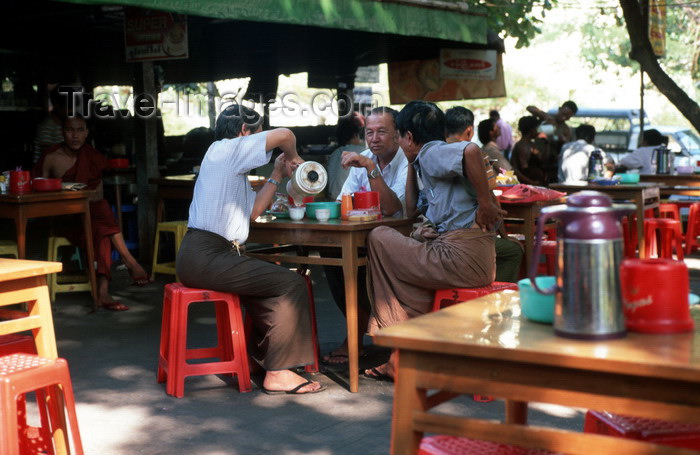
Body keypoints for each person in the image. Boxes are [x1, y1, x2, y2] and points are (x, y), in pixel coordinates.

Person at [175, 104, 325, 395]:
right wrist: (295, 157)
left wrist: (278, 173)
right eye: (257, 134)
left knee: (270, 282)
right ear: (244, 133)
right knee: (291, 282)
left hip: (209, 255)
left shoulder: (230, 168)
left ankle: (262, 359)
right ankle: (279, 372)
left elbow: (253, 211)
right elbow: (285, 134)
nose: (261, 147)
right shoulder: (227, 150)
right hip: (207, 255)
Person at [363, 101, 505, 381]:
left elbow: (471, 150)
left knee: (378, 237)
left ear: (409, 137)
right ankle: (401, 356)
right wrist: (411, 163)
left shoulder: (431, 152)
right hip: (465, 256)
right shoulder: (422, 160)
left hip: (460, 257)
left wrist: (485, 202)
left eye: (399, 136)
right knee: (402, 263)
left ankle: (400, 349)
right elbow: (413, 209)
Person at [33, 114, 150, 311]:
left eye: (80, 130)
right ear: (63, 132)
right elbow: (38, 190)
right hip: (64, 220)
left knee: (102, 223)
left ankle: (103, 291)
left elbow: (97, 196)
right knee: (103, 215)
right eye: (70, 130)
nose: (75, 135)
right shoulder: (51, 158)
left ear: (86, 133)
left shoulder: (92, 157)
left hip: (89, 217)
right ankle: (129, 262)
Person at [321, 106, 408, 365]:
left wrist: (371, 168)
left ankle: (368, 334)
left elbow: (394, 209)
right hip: (363, 235)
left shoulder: (406, 161)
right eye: (369, 132)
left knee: (364, 262)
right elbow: (343, 201)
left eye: (382, 131)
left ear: (398, 134)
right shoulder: (365, 157)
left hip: (401, 237)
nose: (374, 138)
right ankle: (357, 332)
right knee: (330, 250)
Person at [447, 111, 522, 283]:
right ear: (469, 131)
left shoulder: (432, 154)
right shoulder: (476, 154)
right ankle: (495, 296)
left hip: (440, 232)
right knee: (513, 250)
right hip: (468, 236)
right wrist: (504, 236)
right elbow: (490, 198)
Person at [527, 100, 578, 183]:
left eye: (567, 117)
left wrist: (562, 140)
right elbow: (530, 108)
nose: (564, 118)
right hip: (533, 158)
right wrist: (543, 115)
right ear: (560, 109)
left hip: (549, 163)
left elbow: (566, 147)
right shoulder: (547, 118)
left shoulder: (566, 129)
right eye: (563, 114)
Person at [325, 112, 366, 201]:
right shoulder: (362, 152)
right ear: (355, 135)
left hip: (333, 199)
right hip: (348, 200)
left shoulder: (334, 154)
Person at [32, 86, 69, 164]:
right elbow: (48, 155)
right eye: (68, 106)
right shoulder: (47, 126)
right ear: (57, 105)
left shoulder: (65, 125)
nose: (71, 110)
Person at [510, 115, 545, 186]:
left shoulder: (531, 144)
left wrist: (546, 142)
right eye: (537, 128)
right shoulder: (521, 146)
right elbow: (524, 171)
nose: (538, 131)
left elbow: (542, 159)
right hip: (525, 184)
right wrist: (533, 183)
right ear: (532, 130)